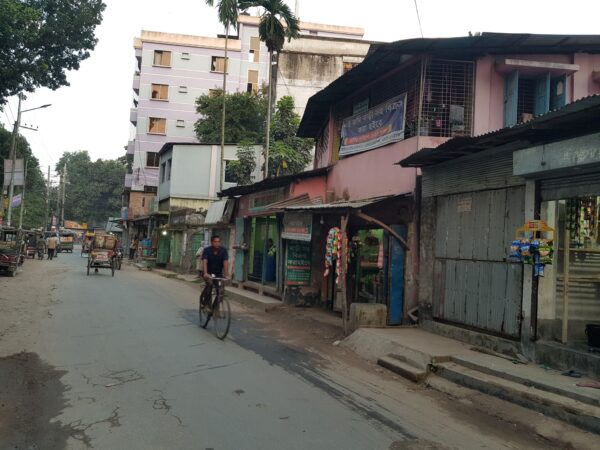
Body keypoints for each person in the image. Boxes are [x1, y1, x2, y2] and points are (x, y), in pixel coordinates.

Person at [200, 235, 229, 310]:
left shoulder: (223, 250)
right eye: (215, 242)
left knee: (221, 291)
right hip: (208, 273)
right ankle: (205, 303)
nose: (217, 243)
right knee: (209, 284)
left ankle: (214, 308)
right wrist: (205, 273)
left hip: (218, 273)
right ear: (212, 242)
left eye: (219, 242)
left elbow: (225, 262)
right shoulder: (207, 250)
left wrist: (226, 275)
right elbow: (205, 261)